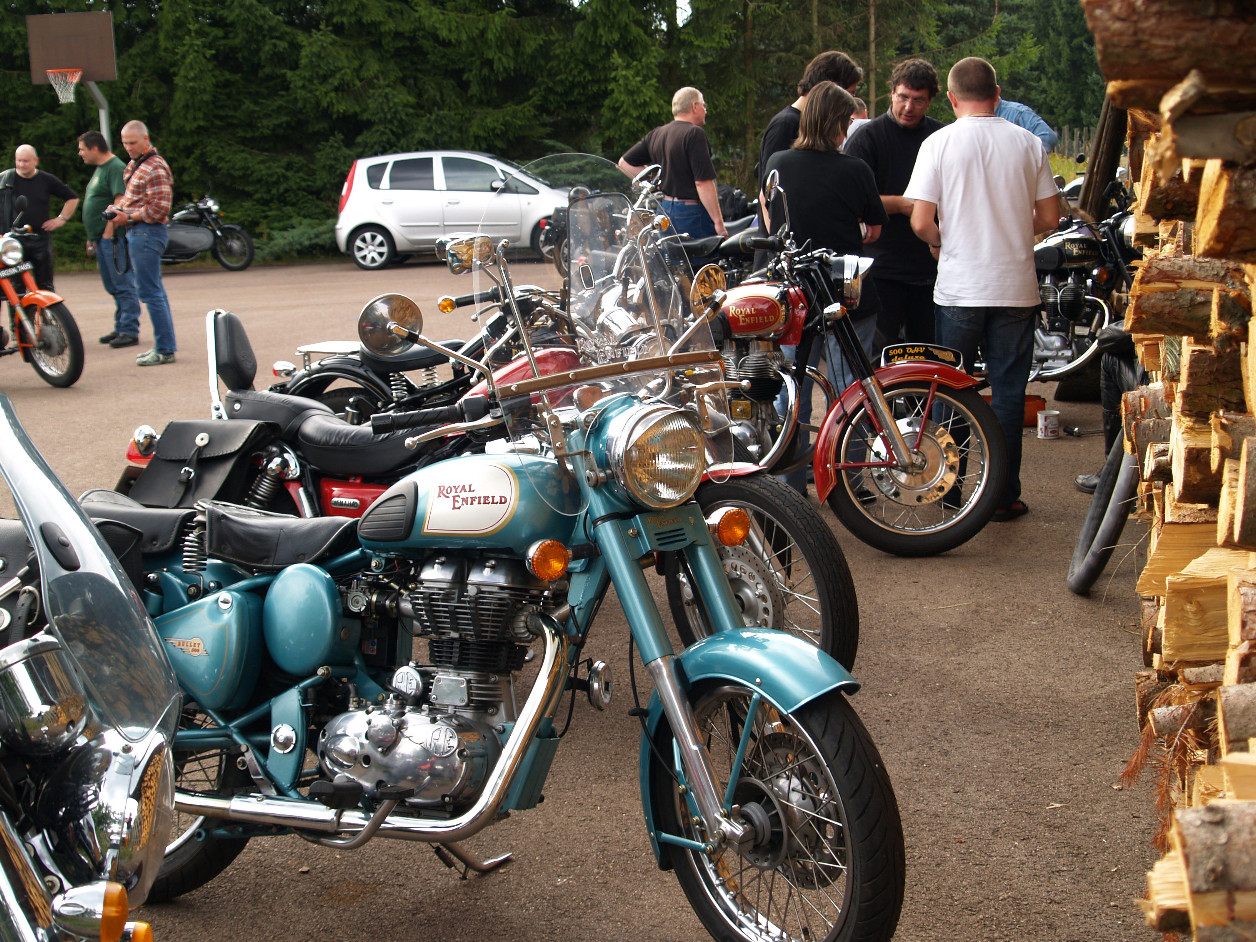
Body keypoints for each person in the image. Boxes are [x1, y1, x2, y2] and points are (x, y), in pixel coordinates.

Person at [905, 57, 1060, 522]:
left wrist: (942, 240)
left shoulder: (939, 142)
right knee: (1010, 395)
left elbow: (919, 220)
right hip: (1015, 286)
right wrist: (1014, 229)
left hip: (959, 289)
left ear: (951, 99)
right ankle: (1003, 494)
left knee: (951, 392)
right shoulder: (1028, 142)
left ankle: (951, 496)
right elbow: (1051, 219)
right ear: (997, 94)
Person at [762, 81, 887, 493]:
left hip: (793, 295)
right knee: (852, 392)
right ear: (837, 124)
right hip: (844, 291)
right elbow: (873, 229)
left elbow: (772, 224)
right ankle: (851, 484)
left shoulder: (779, 161)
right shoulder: (856, 169)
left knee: (792, 395)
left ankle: (790, 489)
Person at [844, 58, 945, 347]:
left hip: (930, 267)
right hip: (880, 268)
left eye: (918, 100)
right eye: (903, 97)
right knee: (879, 357)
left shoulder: (940, 137)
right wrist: (901, 204)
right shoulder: (868, 138)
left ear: (930, 101)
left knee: (928, 355)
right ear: (892, 93)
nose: (909, 107)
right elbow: (851, 199)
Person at [757, 51, 863, 232]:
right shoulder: (786, 124)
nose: (851, 101)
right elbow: (768, 194)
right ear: (831, 89)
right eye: (849, 93)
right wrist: (779, 243)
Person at [108, 120, 177, 366]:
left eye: (133, 142)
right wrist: (118, 209)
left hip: (147, 233)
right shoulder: (136, 165)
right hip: (138, 232)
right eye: (125, 143)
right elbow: (137, 200)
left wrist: (127, 216)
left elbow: (160, 208)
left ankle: (165, 349)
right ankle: (164, 346)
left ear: (146, 139)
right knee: (153, 291)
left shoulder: (155, 167)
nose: (128, 147)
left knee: (150, 292)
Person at [618, 87, 726, 240]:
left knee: (672, 261)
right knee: (704, 262)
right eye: (704, 105)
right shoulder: (694, 134)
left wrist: (656, 181)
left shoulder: (657, 134)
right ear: (694, 106)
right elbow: (702, 183)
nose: (705, 110)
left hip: (665, 210)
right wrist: (718, 223)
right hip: (692, 213)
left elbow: (624, 163)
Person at [77, 131, 142, 349]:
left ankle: (129, 329)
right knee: (113, 285)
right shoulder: (100, 169)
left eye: (82, 149)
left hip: (113, 239)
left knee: (122, 283)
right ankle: (120, 326)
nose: (80, 153)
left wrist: (108, 232)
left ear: (95, 148)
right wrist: (92, 238)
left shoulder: (115, 167)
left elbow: (119, 200)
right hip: (100, 239)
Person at [0, 145, 79, 290]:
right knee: (16, 288)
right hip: (14, 241)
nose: (22, 164)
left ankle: (48, 312)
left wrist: (61, 219)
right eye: (19, 161)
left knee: (45, 285)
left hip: (40, 238)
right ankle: (20, 313)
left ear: (36, 160)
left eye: (26, 161)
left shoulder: (46, 180)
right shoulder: (5, 180)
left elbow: (72, 198)